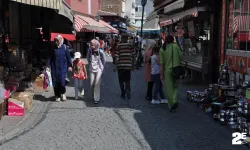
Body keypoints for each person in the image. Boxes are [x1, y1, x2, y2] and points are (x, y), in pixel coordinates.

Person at [47, 34, 72, 102]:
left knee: (62, 81)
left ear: (61, 40)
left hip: (62, 67)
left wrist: (70, 65)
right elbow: (50, 58)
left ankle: (63, 93)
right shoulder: (53, 48)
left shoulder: (64, 47)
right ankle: (57, 95)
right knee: (55, 81)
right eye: (55, 41)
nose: (56, 42)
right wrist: (48, 66)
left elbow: (68, 57)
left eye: (57, 41)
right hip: (54, 67)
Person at [160, 35, 182, 112]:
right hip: (176, 69)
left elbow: (161, 64)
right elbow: (181, 56)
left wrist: (161, 74)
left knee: (169, 89)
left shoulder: (162, 49)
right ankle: (174, 100)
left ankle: (171, 105)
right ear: (173, 40)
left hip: (167, 70)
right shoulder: (175, 46)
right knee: (176, 86)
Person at [115, 34, 136, 99]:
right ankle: (128, 89)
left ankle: (123, 92)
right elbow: (133, 56)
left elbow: (116, 57)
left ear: (121, 38)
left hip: (120, 66)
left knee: (120, 80)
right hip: (128, 66)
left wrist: (116, 66)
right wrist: (133, 65)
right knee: (127, 79)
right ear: (127, 39)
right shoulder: (130, 46)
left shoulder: (119, 46)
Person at [87, 39, 106, 104]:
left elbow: (104, 60)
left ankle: (96, 98)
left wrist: (101, 67)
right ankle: (93, 95)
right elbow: (88, 58)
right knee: (91, 84)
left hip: (98, 69)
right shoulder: (89, 51)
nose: (91, 46)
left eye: (92, 45)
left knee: (97, 83)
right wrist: (90, 63)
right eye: (90, 45)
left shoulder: (100, 51)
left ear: (96, 44)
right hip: (91, 68)